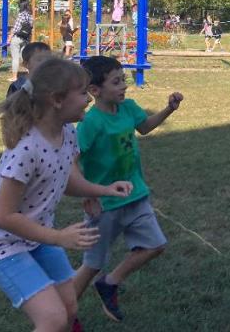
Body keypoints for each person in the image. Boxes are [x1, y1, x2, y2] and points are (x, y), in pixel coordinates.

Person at [0, 58, 133, 332]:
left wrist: (103, 190)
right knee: (53, 318)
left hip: (38, 236)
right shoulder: (26, 150)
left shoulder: (67, 132)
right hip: (3, 244)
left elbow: (66, 181)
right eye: (82, 93)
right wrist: (58, 237)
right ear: (57, 100)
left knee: (69, 307)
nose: (88, 99)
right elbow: (3, 216)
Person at [73, 55, 183, 323]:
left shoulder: (129, 108)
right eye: (116, 82)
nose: (123, 86)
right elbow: (72, 159)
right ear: (95, 90)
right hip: (105, 204)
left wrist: (168, 109)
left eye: (123, 79)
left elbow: (144, 127)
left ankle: (110, 282)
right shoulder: (90, 122)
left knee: (155, 245)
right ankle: (64, 311)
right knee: (92, 264)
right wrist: (88, 193)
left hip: (135, 195)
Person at [7, 0, 34, 82]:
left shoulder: (21, 15)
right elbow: (31, 27)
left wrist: (9, 38)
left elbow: (15, 28)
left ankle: (14, 77)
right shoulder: (30, 15)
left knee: (15, 58)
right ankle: (30, 74)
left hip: (17, 38)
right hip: (26, 39)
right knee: (24, 57)